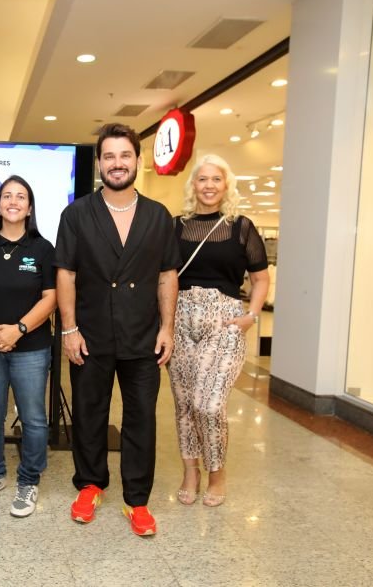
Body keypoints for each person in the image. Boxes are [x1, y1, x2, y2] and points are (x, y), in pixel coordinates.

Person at [55, 123, 181, 536]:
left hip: (144, 337)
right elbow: (66, 275)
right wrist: (69, 329)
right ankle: (90, 485)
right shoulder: (76, 215)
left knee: (141, 417)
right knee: (89, 414)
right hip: (90, 335)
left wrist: (168, 328)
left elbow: (167, 276)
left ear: (137, 161)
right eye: (108, 156)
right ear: (99, 164)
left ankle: (137, 500)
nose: (117, 163)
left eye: (124, 155)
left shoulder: (158, 216)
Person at [168, 154, 270, 508]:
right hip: (180, 320)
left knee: (207, 404)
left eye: (216, 179)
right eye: (202, 179)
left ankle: (217, 473)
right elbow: (162, 277)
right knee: (183, 405)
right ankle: (190, 472)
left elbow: (260, 278)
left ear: (226, 185)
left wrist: (251, 316)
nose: (209, 185)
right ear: (192, 185)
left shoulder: (240, 226)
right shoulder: (176, 226)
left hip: (224, 322)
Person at [0, 175, 56, 518]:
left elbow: (52, 297)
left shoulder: (43, 249)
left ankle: (29, 479)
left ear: (29, 207)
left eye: (21, 197)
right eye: (7, 196)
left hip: (31, 346)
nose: (13, 201)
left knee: (33, 418)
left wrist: (17, 330)